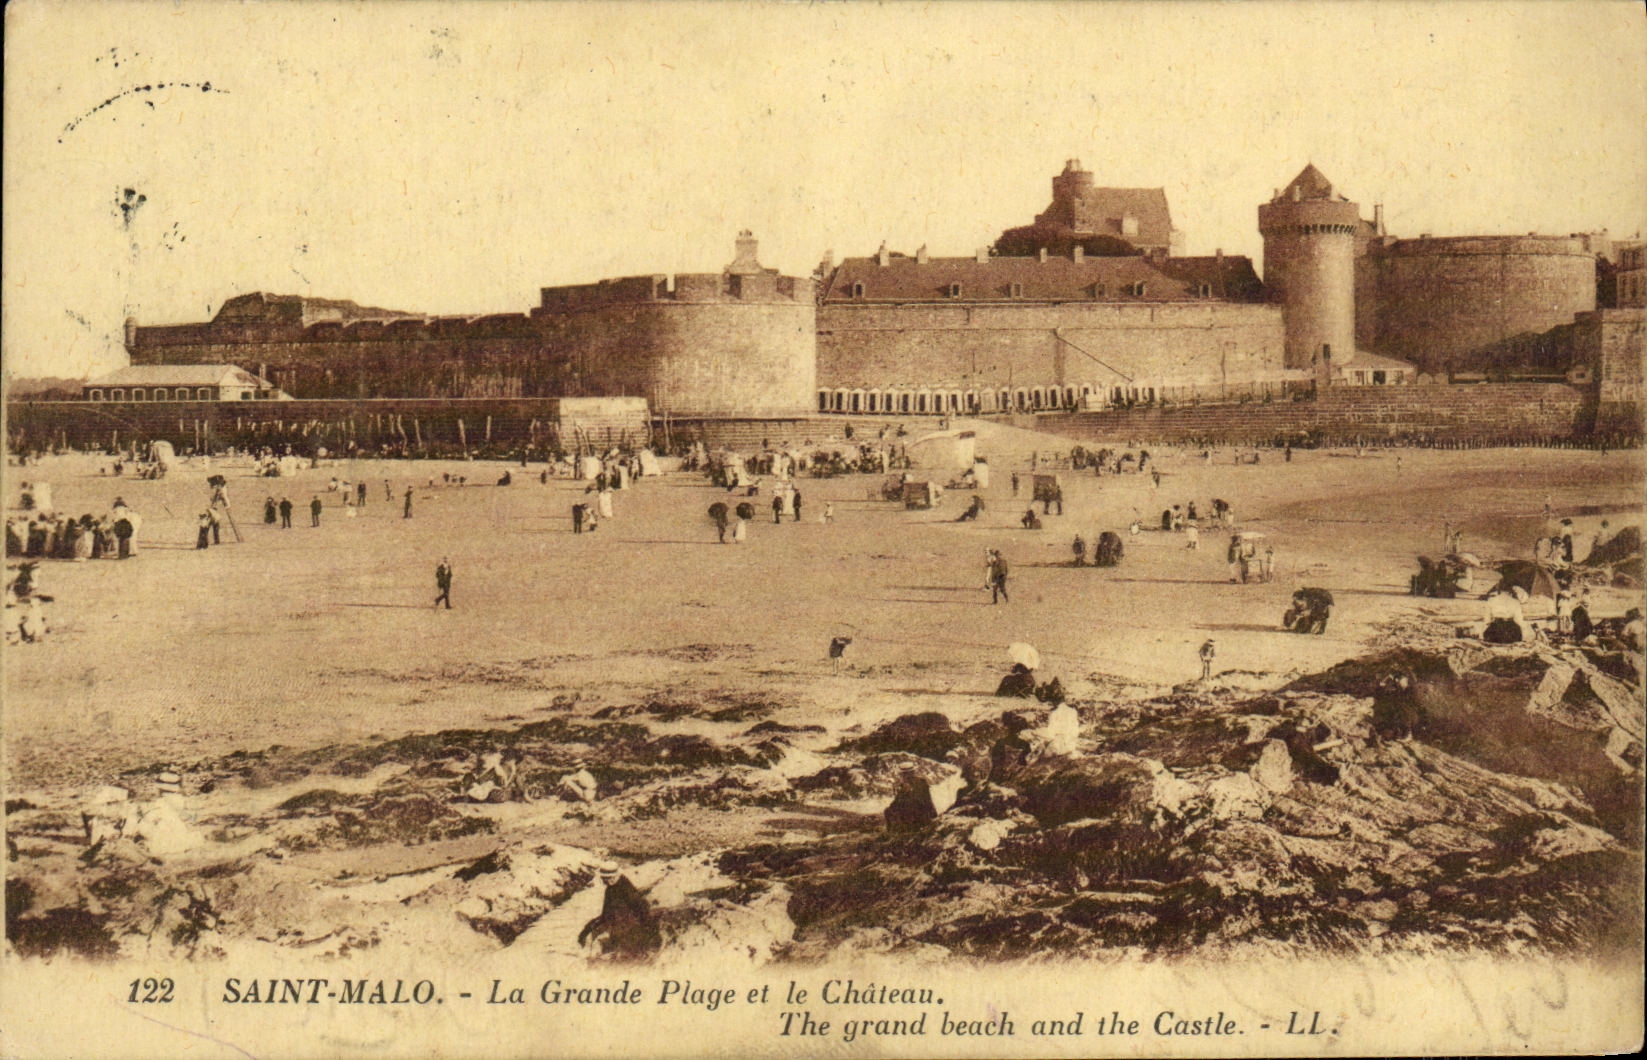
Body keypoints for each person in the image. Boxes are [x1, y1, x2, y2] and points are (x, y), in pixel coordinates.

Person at [578, 862, 660, 960]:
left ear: (614, 876)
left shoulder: (626, 888)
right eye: (604, 878)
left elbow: (643, 909)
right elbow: (605, 915)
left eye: (608, 878)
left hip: (631, 932)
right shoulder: (610, 890)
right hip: (619, 929)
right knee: (591, 940)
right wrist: (588, 929)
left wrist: (648, 934)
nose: (606, 881)